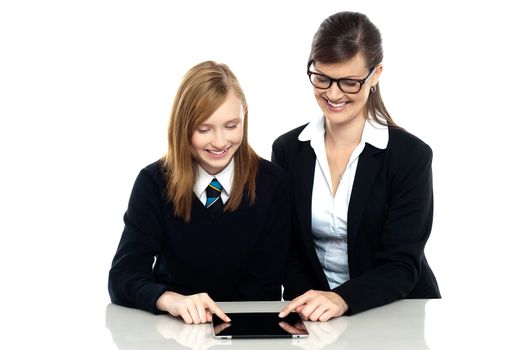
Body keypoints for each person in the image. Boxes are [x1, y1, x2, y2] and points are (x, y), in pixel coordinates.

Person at [273, 11, 440, 322]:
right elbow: (288, 249)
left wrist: (341, 299)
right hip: (316, 315)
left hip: (395, 311)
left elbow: (402, 263)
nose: (333, 94)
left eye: (349, 82)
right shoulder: (288, 150)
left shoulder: (410, 156)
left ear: (375, 75)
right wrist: (313, 306)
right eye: (322, 78)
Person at [108, 61, 290, 324]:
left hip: (246, 330)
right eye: (204, 129)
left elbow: (266, 284)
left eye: (231, 125)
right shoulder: (153, 182)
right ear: (183, 126)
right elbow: (124, 275)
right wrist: (170, 300)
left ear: (245, 116)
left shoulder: (274, 184)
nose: (219, 142)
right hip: (173, 328)